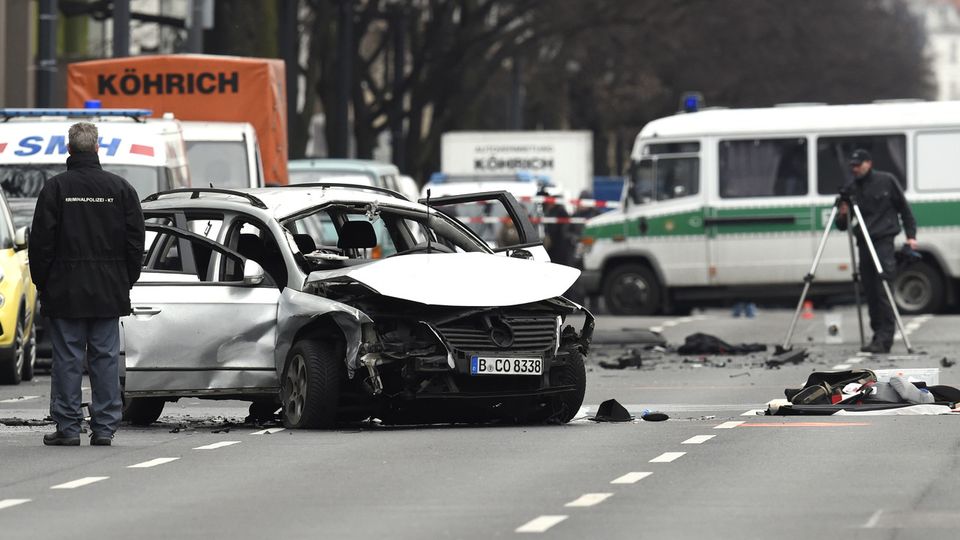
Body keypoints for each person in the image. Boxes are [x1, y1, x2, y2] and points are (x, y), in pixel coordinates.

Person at [30, 122, 145, 446]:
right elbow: (136, 240)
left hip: (65, 289)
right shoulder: (120, 189)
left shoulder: (55, 189)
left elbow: (41, 243)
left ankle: (68, 427)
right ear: (97, 149)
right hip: (108, 288)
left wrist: (44, 283)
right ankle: (104, 427)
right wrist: (127, 278)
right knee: (105, 358)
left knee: (67, 359)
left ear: (69, 149)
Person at [836, 149, 917, 354]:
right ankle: (877, 335)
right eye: (852, 166)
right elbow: (841, 225)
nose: (855, 169)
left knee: (883, 289)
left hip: (883, 241)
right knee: (871, 291)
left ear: (868, 163)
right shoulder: (851, 188)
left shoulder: (886, 181)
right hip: (864, 242)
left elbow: (904, 209)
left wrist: (911, 236)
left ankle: (885, 338)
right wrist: (843, 211)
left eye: (858, 165)